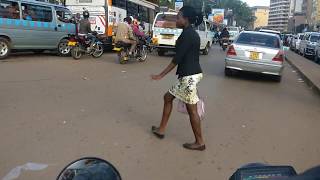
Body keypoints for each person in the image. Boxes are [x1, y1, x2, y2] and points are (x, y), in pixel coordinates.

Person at [151, 6, 205, 151]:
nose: (176, 19)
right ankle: (161, 129)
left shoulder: (188, 35)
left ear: (186, 19)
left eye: (178, 17)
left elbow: (177, 59)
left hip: (189, 77)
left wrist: (160, 75)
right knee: (168, 98)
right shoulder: (189, 33)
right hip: (189, 76)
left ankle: (199, 142)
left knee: (192, 110)